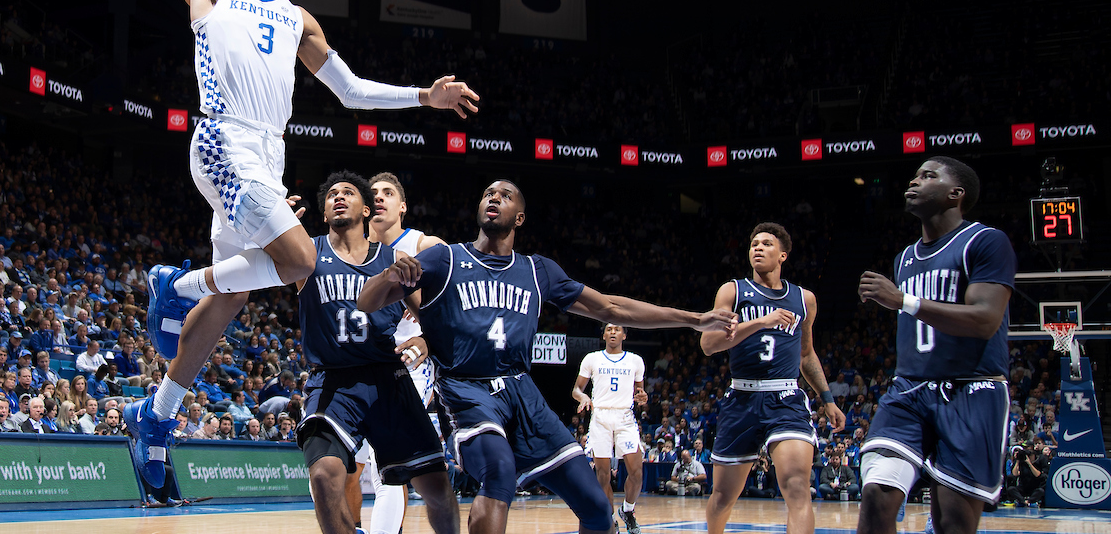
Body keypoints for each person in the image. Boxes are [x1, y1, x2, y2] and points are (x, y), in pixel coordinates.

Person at [125, 0, 479, 488]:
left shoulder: (297, 19)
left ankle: (156, 417)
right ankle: (173, 285)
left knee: (233, 297)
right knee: (299, 263)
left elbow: (352, 90)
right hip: (223, 137)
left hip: (269, 153)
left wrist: (425, 97)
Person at [358, 180, 737, 534]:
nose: (494, 198)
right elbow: (367, 301)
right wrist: (391, 276)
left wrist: (694, 319)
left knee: (597, 508)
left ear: (519, 218)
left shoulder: (538, 271)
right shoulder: (446, 259)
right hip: (465, 390)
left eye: (505, 196)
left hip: (523, 393)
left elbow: (611, 308)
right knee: (499, 472)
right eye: (488, 193)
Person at [290, 172, 457, 534]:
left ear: (365, 209)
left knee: (437, 488)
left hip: (388, 378)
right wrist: (272, 224)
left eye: (347, 192)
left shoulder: (393, 257)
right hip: (332, 380)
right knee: (323, 475)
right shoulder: (307, 251)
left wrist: (427, 342)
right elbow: (258, 261)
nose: (338, 197)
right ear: (323, 212)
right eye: (331, 193)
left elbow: (433, 316)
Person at [856, 157, 1015, 534]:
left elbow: (984, 319)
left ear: (955, 194)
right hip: (909, 389)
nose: (913, 182)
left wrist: (903, 302)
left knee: (952, 520)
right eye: (914, 176)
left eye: (927, 176)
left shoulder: (986, 241)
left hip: (971, 390)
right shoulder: (905, 259)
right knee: (876, 496)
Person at [701, 223, 845, 534]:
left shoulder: (804, 299)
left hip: (786, 398)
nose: (757, 247)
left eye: (766, 243)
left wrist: (828, 399)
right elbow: (708, 345)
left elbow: (807, 355)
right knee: (724, 496)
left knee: (797, 487)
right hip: (741, 398)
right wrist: (761, 322)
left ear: (782, 255)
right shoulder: (733, 291)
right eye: (753, 243)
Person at [364, 171, 449, 534]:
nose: (379, 197)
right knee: (337, 468)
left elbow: (456, 308)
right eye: (373, 194)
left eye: (388, 193)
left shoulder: (424, 244)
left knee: (388, 472)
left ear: (402, 206)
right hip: (358, 362)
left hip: (408, 361)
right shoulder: (348, 248)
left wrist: (429, 341)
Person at [572, 324, 648, 534]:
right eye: (609, 329)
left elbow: (639, 393)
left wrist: (643, 397)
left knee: (636, 471)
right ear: (604, 334)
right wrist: (583, 396)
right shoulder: (592, 358)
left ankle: (628, 511)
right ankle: (610, 517)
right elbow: (577, 389)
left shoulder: (635, 360)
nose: (613, 332)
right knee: (603, 474)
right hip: (601, 417)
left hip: (625, 416)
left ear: (624, 334)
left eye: (617, 329)